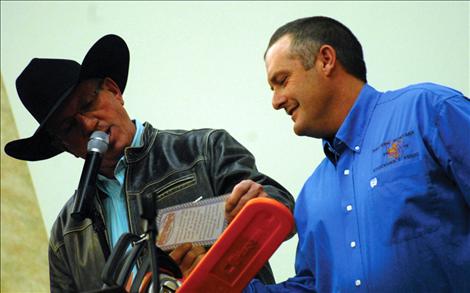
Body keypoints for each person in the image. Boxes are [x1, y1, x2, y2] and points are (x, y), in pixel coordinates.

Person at [4, 34, 295, 292]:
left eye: (87, 104)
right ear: (63, 146)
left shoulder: (204, 149)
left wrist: (217, 257)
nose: (88, 124)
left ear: (114, 90)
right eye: (68, 127)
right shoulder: (66, 234)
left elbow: (282, 212)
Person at [245, 16, 470, 292]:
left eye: (282, 80)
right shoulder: (310, 196)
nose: (276, 101)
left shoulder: (428, 111)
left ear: (326, 60)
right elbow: (313, 287)